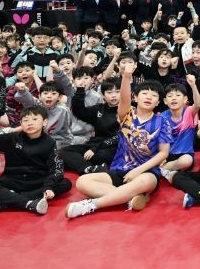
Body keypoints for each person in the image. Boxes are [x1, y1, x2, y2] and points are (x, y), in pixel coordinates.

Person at [65, 64, 172, 218]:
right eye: (144, 93)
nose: (149, 97)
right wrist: (126, 77)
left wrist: (138, 171)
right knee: (82, 182)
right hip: (119, 169)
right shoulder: (126, 115)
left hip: (146, 172)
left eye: (154, 95)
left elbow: (163, 153)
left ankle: (92, 205)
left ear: (158, 102)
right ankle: (128, 199)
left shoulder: (163, 122)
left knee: (145, 182)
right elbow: (124, 99)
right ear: (135, 97)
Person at [0, 106, 72, 214]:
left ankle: (10, 200)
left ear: (44, 122)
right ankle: (29, 203)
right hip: (13, 179)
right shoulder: (12, 138)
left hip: (36, 180)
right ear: (21, 123)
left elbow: (56, 168)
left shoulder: (50, 142)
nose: (30, 123)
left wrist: (48, 187)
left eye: (35, 119)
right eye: (25, 120)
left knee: (65, 183)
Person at [60, 77, 121, 175]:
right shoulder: (99, 109)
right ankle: (88, 169)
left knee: (74, 160)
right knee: (64, 152)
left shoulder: (128, 110)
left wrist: (95, 148)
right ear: (103, 95)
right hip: (94, 144)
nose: (114, 95)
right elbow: (79, 112)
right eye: (109, 92)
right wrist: (80, 90)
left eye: (117, 92)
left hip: (113, 147)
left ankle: (81, 165)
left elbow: (119, 136)